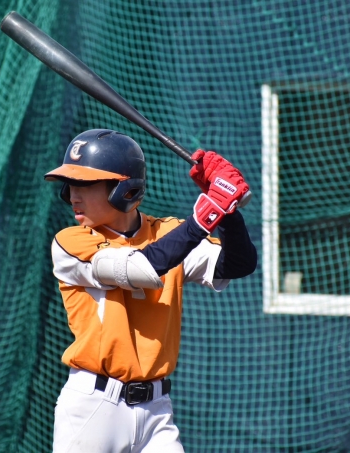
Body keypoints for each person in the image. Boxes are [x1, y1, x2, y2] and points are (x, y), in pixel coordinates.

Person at [45, 129, 257, 452]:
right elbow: (141, 268)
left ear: (124, 190)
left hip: (157, 411)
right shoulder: (70, 242)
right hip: (93, 408)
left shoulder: (167, 232)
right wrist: (206, 214)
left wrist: (227, 213)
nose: (73, 195)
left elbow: (238, 264)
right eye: (70, 185)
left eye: (85, 185)